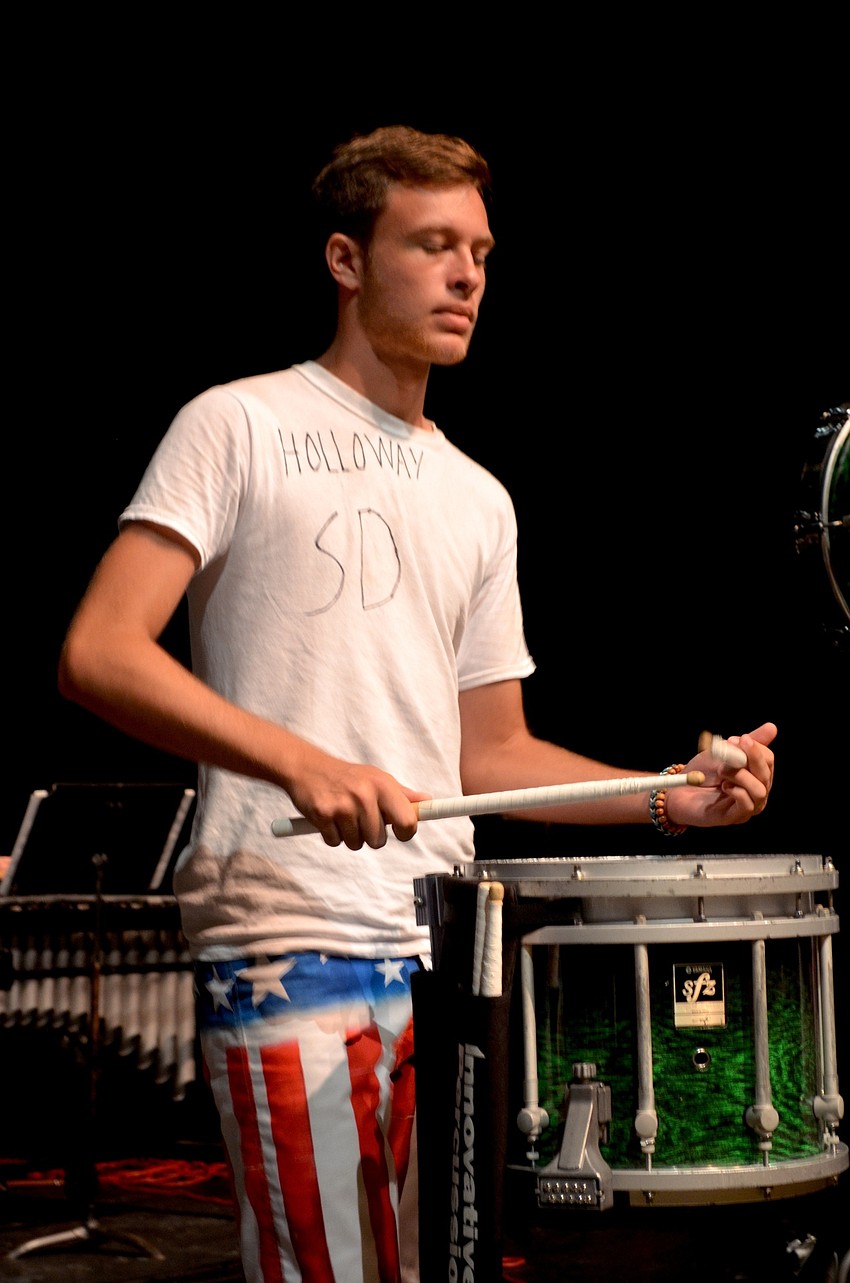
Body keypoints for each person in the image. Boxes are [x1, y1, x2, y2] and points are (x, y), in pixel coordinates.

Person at [57, 125, 777, 1283]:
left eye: (481, 251)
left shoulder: (478, 497)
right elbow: (99, 648)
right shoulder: (237, 422)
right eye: (433, 244)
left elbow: (487, 751)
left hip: (446, 946)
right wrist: (300, 761)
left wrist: (666, 798)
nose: (466, 276)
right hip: (293, 932)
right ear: (346, 259)